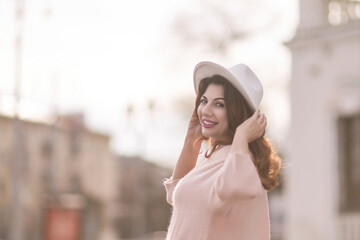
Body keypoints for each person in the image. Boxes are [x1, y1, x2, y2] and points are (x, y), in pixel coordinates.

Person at [163, 61, 282, 240]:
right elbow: (177, 195)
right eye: (204, 101)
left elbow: (230, 189)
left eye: (219, 104)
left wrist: (241, 136)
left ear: (238, 113)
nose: (205, 111)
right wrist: (191, 141)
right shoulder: (218, 159)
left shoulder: (242, 163)